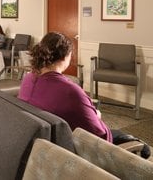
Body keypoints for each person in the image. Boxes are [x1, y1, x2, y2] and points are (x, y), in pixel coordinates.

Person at [17, 32, 150, 158]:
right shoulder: (71, 91)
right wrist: (97, 117)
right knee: (143, 148)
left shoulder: (29, 79)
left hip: (46, 143)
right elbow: (101, 136)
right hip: (75, 148)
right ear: (65, 56)